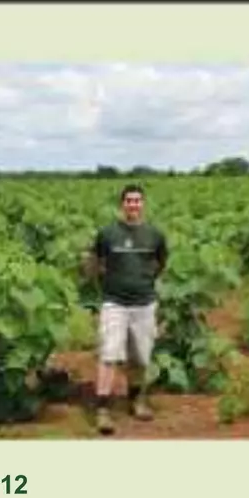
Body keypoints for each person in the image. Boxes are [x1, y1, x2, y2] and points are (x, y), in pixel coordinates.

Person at [84, 184, 168, 433]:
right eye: (129, 200)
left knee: (140, 357)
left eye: (137, 200)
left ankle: (135, 400)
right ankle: (102, 409)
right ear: (122, 204)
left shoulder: (154, 234)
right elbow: (95, 261)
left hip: (144, 303)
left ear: (143, 204)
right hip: (115, 303)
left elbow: (161, 263)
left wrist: (144, 282)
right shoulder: (108, 233)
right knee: (109, 355)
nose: (133, 204)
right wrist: (106, 286)